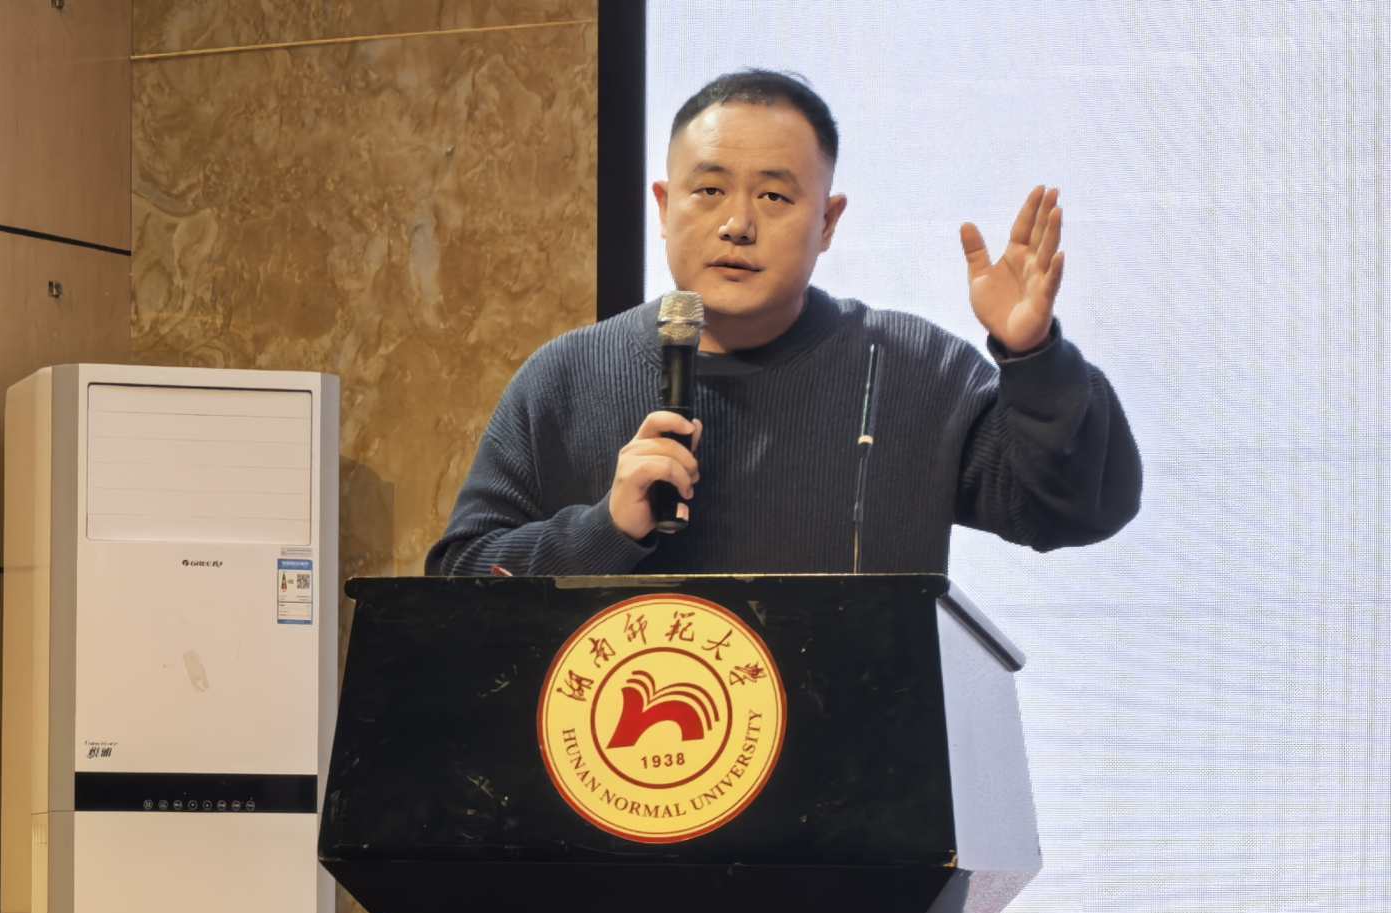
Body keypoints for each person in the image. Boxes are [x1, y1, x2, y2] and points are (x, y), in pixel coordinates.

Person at [426, 71, 1141, 576]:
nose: (737, 224)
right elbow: (460, 580)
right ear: (664, 206)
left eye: (774, 197)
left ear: (828, 222)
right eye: (709, 190)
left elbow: (1079, 510)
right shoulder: (567, 377)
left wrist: (1033, 357)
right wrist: (602, 530)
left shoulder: (916, 370)